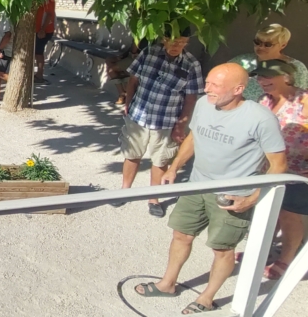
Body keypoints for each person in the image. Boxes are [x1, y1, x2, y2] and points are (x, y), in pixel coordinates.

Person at [135, 64, 287, 315]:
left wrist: (252, 198)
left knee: (222, 249)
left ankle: (206, 298)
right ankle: (167, 283)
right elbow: (194, 136)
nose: (207, 89)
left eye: (215, 85)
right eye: (207, 83)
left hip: (231, 195)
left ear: (238, 89)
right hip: (197, 183)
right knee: (181, 235)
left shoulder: (261, 119)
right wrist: (174, 167)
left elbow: (278, 165)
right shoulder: (205, 104)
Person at [117, 28, 204, 217]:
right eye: (173, 41)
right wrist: (128, 103)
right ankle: (124, 190)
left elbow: (191, 98)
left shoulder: (191, 64)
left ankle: (153, 198)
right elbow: (133, 80)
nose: (176, 46)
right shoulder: (149, 52)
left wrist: (182, 124)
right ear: (164, 39)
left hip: (167, 120)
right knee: (132, 154)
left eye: (181, 42)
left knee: (161, 159)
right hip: (138, 115)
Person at [251, 59, 308, 280]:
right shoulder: (264, 101)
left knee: (288, 216)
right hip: (270, 168)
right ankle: (263, 252)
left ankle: (286, 259)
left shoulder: (304, 101)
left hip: (298, 172)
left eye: (267, 76)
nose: (262, 81)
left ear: (286, 76)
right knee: (269, 213)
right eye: (259, 76)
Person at [229, 24, 308, 101]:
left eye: (268, 44)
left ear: (283, 45)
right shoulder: (241, 62)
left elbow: (301, 97)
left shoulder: (296, 68)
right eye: (257, 42)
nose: (260, 47)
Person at [106, 39, 150, 104]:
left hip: (136, 57)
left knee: (111, 70)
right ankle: (125, 86)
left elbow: (135, 47)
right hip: (130, 55)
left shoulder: (142, 31)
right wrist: (124, 55)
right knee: (108, 60)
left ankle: (122, 94)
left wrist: (132, 53)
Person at [33, 0, 56, 84]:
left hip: (44, 31)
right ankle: (38, 74)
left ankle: (39, 75)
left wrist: (42, 30)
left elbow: (49, 14)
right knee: (37, 52)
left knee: (38, 53)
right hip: (39, 30)